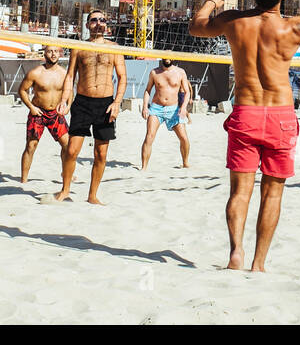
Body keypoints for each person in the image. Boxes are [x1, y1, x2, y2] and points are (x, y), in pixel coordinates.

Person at [190, 0, 300, 271]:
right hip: (280, 116)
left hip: (246, 113)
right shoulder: (293, 28)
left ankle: (235, 253)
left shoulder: (234, 22)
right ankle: (258, 263)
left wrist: (213, 0)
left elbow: (197, 26)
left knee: (240, 192)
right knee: (273, 193)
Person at [59, 13, 126, 203]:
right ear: (88, 24)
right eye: (95, 20)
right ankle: (65, 190)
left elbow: (122, 77)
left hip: (105, 104)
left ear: (107, 25)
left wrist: (117, 103)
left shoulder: (114, 48)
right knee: (72, 151)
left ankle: (92, 195)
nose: (99, 23)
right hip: (83, 102)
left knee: (101, 154)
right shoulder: (79, 47)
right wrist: (64, 100)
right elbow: (70, 76)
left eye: (103, 20)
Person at [18, 46, 71, 187]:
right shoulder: (36, 72)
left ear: (60, 53)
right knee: (31, 145)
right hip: (38, 112)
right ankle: (23, 179)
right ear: (45, 53)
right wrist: (31, 107)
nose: (53, 54)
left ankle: (64, 173)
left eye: (56, 51)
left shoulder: (64, 73)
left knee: (67, 145)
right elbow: (22, 90)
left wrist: (68, 106)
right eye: (50, 51)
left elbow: (70, 90)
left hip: (56, 113)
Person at [140, 58, 191, 170]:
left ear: (173, 57)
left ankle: (185, 163)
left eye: (169, 56)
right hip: (156, 109)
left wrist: (183, 108)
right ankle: (144, 167)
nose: (167, 58)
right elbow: (147, 90)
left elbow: (187, 92)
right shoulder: (154, 72)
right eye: (165, 55)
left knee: (184, 138)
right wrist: (144, 107)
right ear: (162, 56)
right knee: (149, 137)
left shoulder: (180, 72)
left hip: (173, 109)